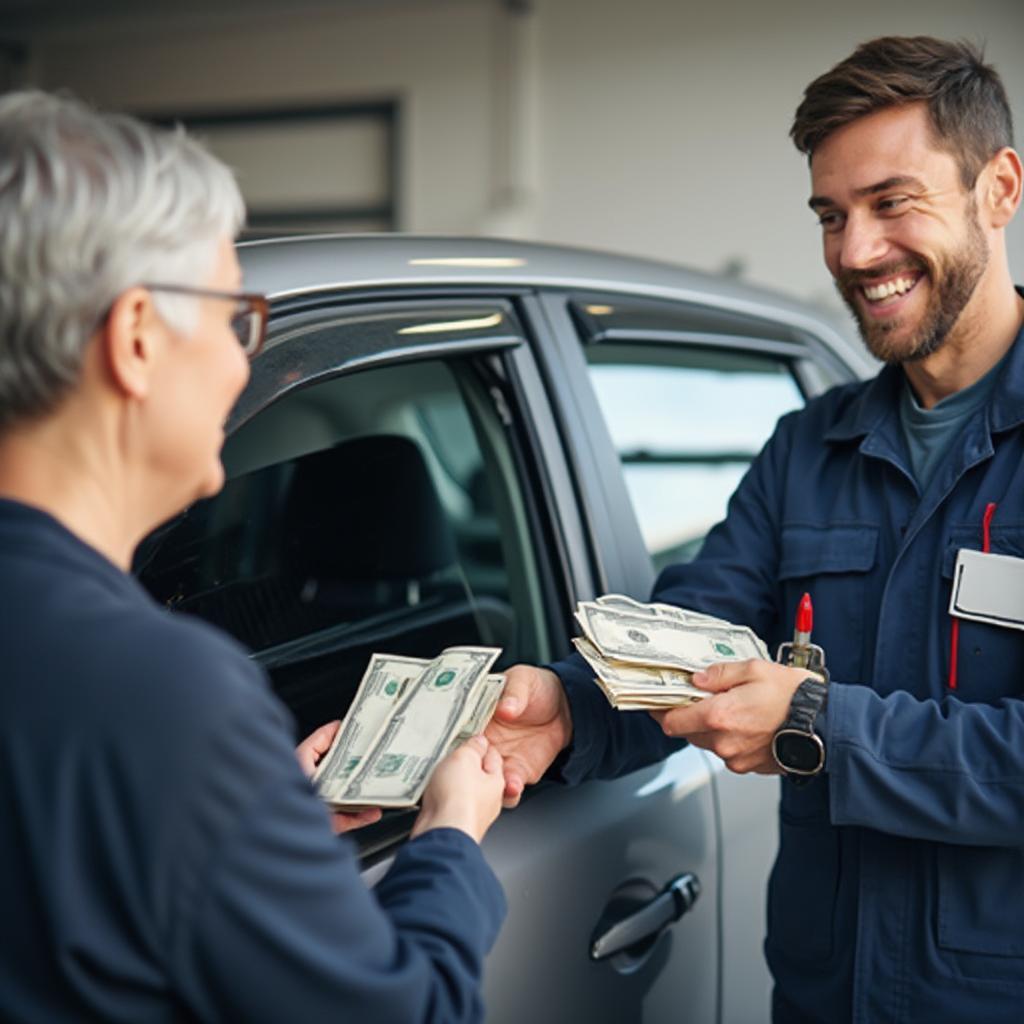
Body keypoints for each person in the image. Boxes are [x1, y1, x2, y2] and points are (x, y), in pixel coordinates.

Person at [487, 35, 1024, 1024]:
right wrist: (564, 710)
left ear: (998, 187)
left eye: (892, 201)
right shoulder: (807, 448)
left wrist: (817, 723)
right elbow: (695, 640)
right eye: (831, 214)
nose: (854, 252)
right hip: (822, 993)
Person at [0, 90, 507, 1023]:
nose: (244, 363)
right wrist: (449, 838)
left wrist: (259, 819)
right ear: (138, 336)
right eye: (237, 321)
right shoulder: (160, 689)